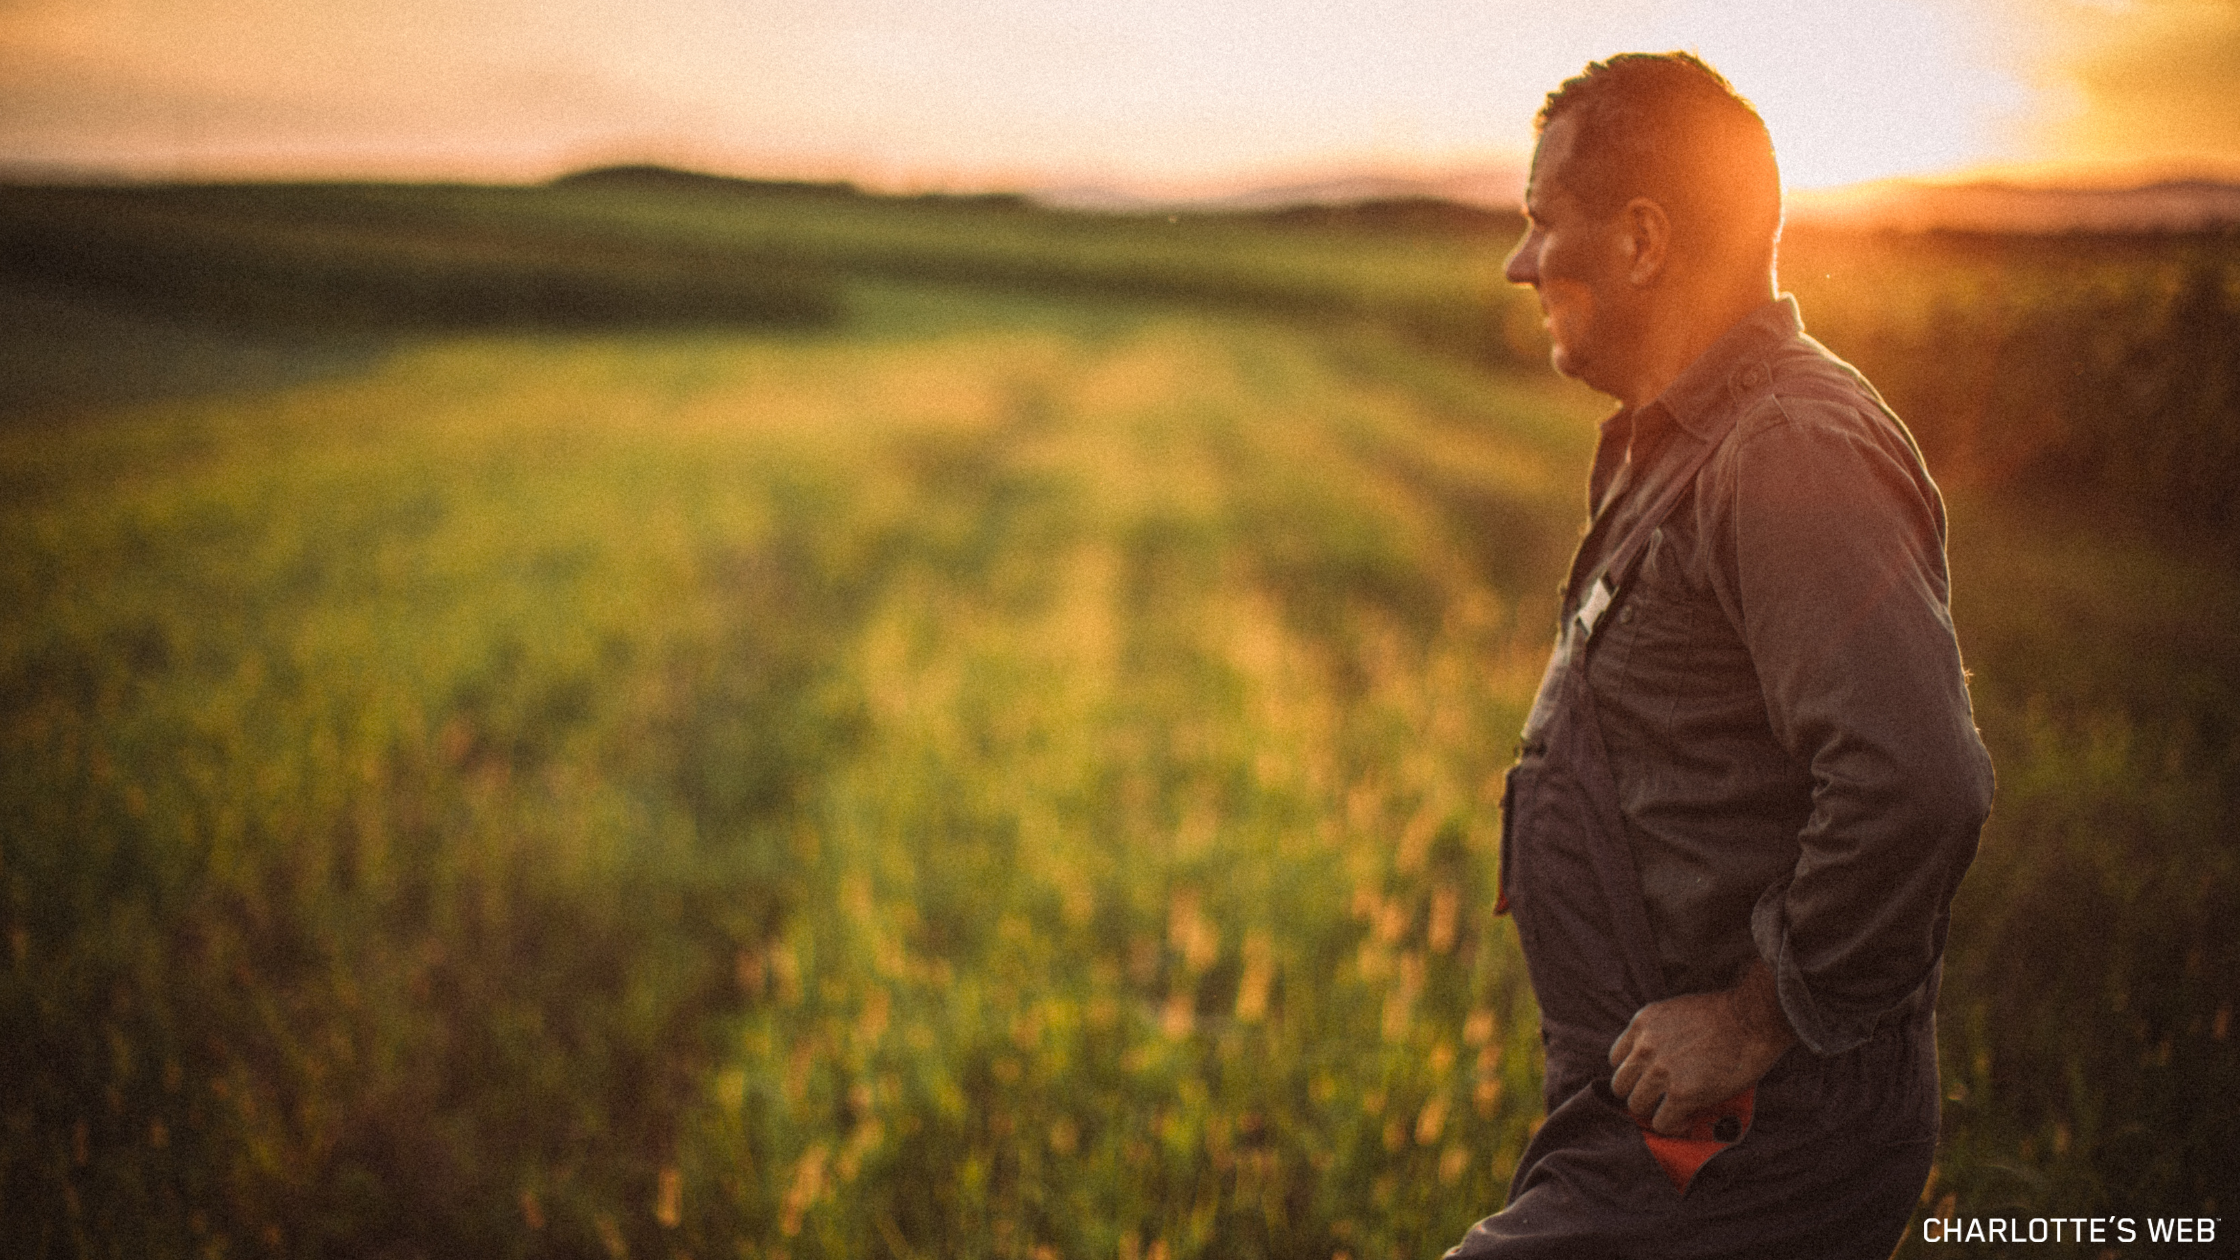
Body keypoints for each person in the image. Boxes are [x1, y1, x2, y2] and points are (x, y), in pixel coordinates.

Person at [1445, 53, 1994, 1259]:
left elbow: (1915, 779)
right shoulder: (1676, 441)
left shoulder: (1788, 448)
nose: (1518, 261)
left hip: (1745, 1140)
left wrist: (1752, 1018)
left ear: (1641, 239)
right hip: (1659, 1125)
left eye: (1543, 222)